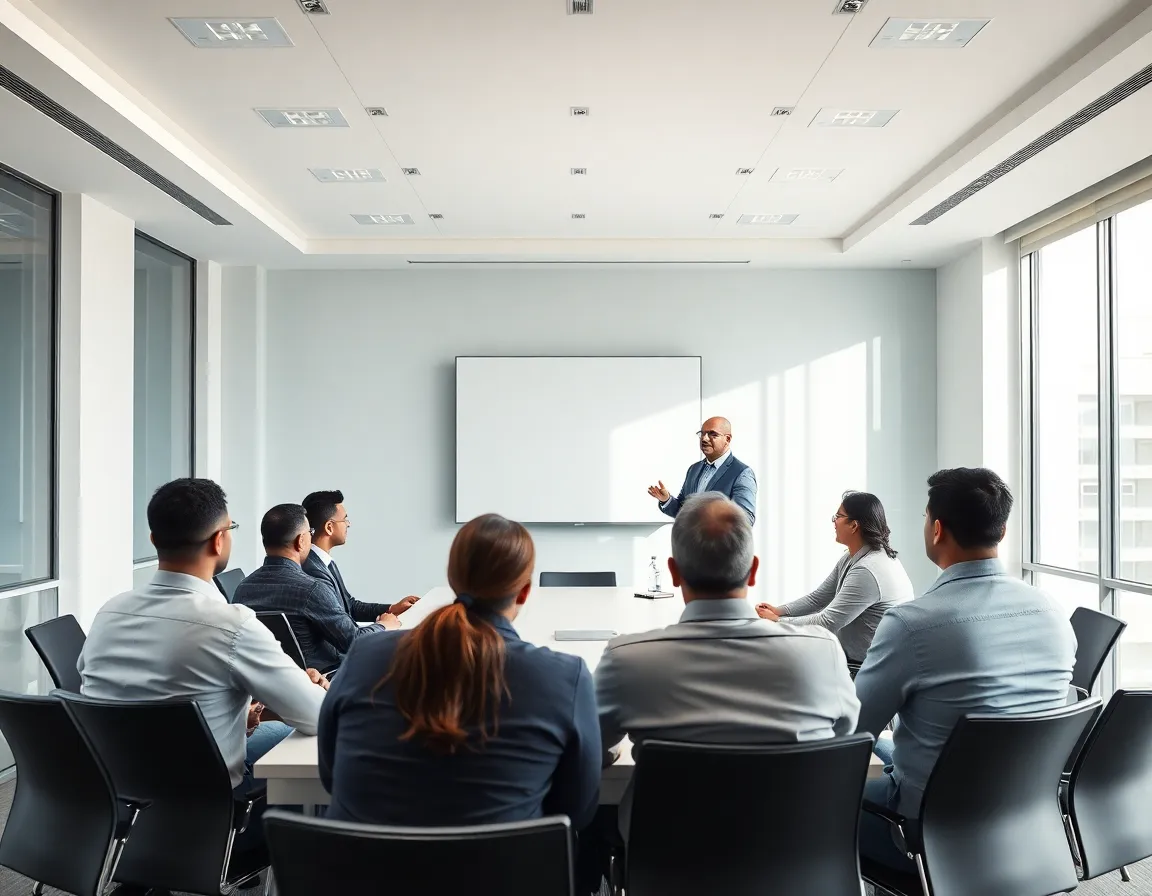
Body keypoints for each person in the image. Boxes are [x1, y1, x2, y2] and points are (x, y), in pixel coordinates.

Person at [78, 479, 329, 870]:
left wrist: (235, 713)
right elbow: (317, 717)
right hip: (211, 808)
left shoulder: (109, 612)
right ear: (218, 541)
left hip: (117, 801)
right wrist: (304, 685)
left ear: (153, 538)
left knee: (272, 731)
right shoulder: (232, 624)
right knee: (310, 747)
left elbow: (113, 701)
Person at [596, 493, 859, 837]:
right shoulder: (823, 653)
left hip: (669, 869)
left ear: (673, 572)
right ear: (752, 570)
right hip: (793, 864)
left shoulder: (627, 660)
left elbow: (589, 746)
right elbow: (841, 734)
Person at [854, 468, 1077, 873]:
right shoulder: (1054, 613)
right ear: (1002, 531)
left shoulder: (912, 624)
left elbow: (851, 730)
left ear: (937, 529)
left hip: (925, 838)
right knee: (889, 750)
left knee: (804, 809)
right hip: (1026, 826)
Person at [318, 512, 601, 830]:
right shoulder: (564, 677)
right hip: (506, 876)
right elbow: (576, 810)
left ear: (453, 580)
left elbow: (330, 775)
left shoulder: (365, 656)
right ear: (523, 592)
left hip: (364, 875)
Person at [233, 504, 399, 672]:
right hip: (324, 679)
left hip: (269, 686)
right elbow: (354, 642)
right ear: (301, 541)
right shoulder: (312, 589)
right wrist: (384, 625)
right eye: (310, 534)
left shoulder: (242, 589)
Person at [756, 491, 914, 667]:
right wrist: (779, 611)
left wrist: (777, 622)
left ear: (854, 525)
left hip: (869, 667)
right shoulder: (854, 557)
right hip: (859, 662)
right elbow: (819, 598)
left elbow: (827, 622)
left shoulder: (868, 570)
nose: (834, 522)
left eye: (838, 516)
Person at [301, 489, 420, 624]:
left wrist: (392, 608)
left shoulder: (323, 562)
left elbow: (349, 606)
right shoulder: (314, 570)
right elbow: (345, 632)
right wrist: (383, 626)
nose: (348, 524)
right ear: (329, 527)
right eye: (344, 519)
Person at [647, 417, 757, 524]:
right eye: (702, 433)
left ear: (727, 439)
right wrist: (666, 500)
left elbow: (745, 519)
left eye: (712, 434)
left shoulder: (742, 473)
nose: (704, 439)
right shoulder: (694, 469)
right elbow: (682, 510)